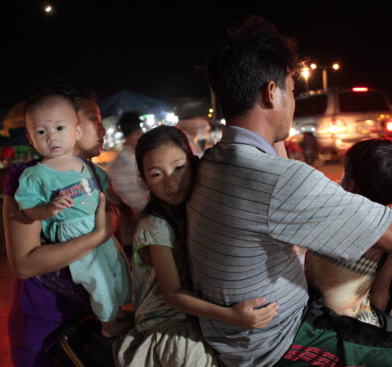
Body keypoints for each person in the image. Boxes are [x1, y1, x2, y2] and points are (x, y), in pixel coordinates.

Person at [187, 16, 392, 367]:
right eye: (292, 91)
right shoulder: (277, 179)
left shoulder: (214, 161)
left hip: (236, 328)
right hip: (276, 338)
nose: (293, 103)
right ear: (271, 92)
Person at [116, 125, 278, 367]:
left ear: (194, 162)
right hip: (169, 323)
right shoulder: (154, 225)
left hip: (197, 315)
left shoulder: (195, 205)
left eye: (179, 168)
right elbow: (172, 294)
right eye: (157, 174)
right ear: (144, 180)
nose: (171, 181)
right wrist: (231, 315)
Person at [4, 91, 127, 367]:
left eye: (59, 127)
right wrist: (98, 235)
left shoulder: (92, 173)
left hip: (91, 322)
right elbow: (24, 264)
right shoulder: (30, 177)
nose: (103, 128)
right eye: (95, 119)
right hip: (48, 324)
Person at [304, 139, 392, 348]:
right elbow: (379, 296)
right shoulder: (391, 232)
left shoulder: (327, 208)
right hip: (346, 325)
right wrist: (377, 334)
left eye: (345, 172)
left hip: (311, 306)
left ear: (352, 182)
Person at [108, 112, 150, 248]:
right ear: (136, 133)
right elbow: (132, 200)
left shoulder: (126, 157)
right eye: (139, 133)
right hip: (135, 233)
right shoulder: (125, 160)